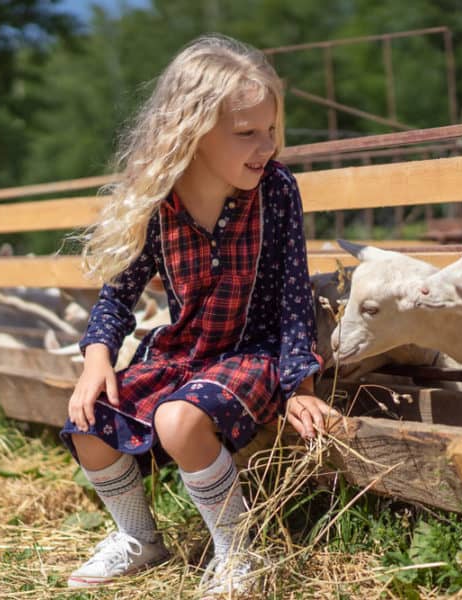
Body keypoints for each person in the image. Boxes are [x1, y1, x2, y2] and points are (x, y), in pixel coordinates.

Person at [61, 34, 336, 595]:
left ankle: (239, 551)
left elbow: (291, 295)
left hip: (251, 353)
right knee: (87, 422)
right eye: (246, 134)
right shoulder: (158, 202)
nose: (266, 147)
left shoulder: (276, 192)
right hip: (183, 352)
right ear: (193, 132)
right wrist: (95, 361)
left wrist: (301, 385)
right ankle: (139, 537)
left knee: (178, 420)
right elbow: (118, 296)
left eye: (271, 131)